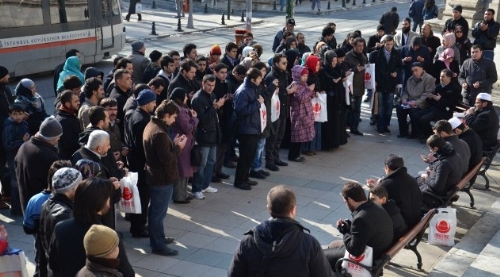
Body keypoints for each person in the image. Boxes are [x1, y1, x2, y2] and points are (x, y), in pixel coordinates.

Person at [228, 185, 334, 276]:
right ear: (293, 209)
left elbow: (233, 274)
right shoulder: (309, 243)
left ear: (268, 208)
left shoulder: (248, 241)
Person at [48, 178, 135, 277]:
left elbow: (53, 266)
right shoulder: (107, 236)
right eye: (108, 197)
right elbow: (127, 272)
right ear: (101, 202)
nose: (109, 200)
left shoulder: (60, 228)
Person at [143, 100, 185, 256]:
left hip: (157, 176)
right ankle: (158, 245)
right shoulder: (159, 133)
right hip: (162, 178)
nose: (174, 121)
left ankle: (158, 238)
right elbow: (166, 159)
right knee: (158, 213)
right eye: (173, 117)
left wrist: (173, 145)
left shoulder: (152, 126)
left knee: (157, 212)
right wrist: (178, 147)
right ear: (165, 115)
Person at [323, 182, 393, 271]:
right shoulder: (376, 207)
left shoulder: (361, 218)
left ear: (350, 200)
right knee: (332, 246)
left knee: (321, 257)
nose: (346, 204)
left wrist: (345, 232)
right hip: (379, 252)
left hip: (369, 259)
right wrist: (349, 229)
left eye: (345, 202)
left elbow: (355, 251)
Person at [22, 160, 70, 277]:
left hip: (41, 245)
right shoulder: (69, 203)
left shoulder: (35, 200)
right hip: (62, 254)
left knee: (41, 266)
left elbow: (28, 228)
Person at [72, 129, 123, 229]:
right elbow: (94, 190)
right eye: (108, 145)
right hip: (97, 217)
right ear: (99, 148)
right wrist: (112, 186)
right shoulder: (90, 163)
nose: (109, 147)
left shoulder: (78, 154)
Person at [124, 89, 156, 238]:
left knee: (140, 195)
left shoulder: (136, 115)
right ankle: (138, 227)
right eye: (153, 102)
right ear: (146, 103)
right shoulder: (142, 120)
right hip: (141, 165)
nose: (155, 105)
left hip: (136, 163)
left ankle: (138, 223)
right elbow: (141, 145)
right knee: (142, 197)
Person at [39, 167, 82, 276]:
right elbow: (68, 253)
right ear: (72, 188)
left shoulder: (47, 203)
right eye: (80, 184)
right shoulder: (64, 214)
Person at [15, 116, 62, 213]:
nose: (59, 139)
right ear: (52, 137)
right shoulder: (48, 156)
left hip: (27, 204)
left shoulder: (24, 147)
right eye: (58, 136)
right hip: (42, 208)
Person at [367, 154, 422, 228]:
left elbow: (372, 202)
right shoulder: (411, 179)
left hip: (402, 225)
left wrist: (373, 189)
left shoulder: (386, 185)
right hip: (415, 220)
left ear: (387, 168)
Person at [190, 75, 222, 199]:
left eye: (213, 85)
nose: (210, 88)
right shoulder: (198, 99)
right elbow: (202, 119)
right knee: (201, 164)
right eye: (208, 85)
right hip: (203, 136)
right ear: (203, 83)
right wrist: (215, 107)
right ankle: (196, 188)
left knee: (211, 162)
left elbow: (214, 117)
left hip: (213, 134)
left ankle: (205, 185)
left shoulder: (212, 96)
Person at [233, 68, 264, 190]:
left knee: (250, 156)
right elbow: (241, 110)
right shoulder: (243, 91)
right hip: (246, 129)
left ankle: (245, 177)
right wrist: (257, 103)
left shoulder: (252, 88)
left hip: (253, 127)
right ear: (252, 79)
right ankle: (240, 181)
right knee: (245, 157)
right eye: (259, 78)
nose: (261, 80)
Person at [169, 88, 198, 204]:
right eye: (185, 96)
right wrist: (195, 119)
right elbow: (187, 128)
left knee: (185, 170)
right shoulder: (179, 111)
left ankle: (183, 193)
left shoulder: (180, 108)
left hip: (185, 142)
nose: (186, 98)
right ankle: (179, 196)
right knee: (182, 170)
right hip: (182, 143)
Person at [413, 69, 461, 138]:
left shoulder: (454, 89)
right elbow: (431, 101)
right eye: (440, 76)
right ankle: (420, 133)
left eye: (443, 76)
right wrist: (430, 97)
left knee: (423, 119)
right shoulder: (438, 86)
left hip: (444, 111)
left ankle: (429, 135)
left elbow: (452, 103)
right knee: (415, 115)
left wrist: (440, 99)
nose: (441, 78)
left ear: (449, 77)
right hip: (433, 108)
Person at [264, 53, 292, 171]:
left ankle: (276, 157)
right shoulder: (271, 77)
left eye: (286, 63)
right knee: (272, 137)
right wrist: (287, 92)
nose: (286, 65)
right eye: (283, 63)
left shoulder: (284, 74)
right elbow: (273, 95)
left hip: (283, 109)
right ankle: (269, 161)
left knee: (280, 136)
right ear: (276, 63)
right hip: (274, 111)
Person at [370, 35, 403, 134]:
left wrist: (396, 72)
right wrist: (373, 80)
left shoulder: (396, 54)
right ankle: (380, 124)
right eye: (387, 44)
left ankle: (386, 124)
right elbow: (371, 69)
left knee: (389, 105)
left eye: (391, 44)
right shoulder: (376, 54)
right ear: (383, 43)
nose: (389, 46)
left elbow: (399, 66)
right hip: (379, 83)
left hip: (390, 83)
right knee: (380, 105)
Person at [2, 104, 29, 215]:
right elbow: (7, 145)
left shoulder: (24, 124)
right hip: (13, 159)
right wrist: (22, 141)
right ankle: (16, 208)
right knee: (15, 182)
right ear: (10, 115)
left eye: (20, 113)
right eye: (14, 114)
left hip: (22, 156)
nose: (18, 116)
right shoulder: (9, 127)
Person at [396, 62, 435, 140]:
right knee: (399, 108)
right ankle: (403, 131)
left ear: (422, 69)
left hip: (422, 102)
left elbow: (427, 94)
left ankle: (415, 133)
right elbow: (406, 91)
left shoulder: (429, 78)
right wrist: (404, 99)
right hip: (409, 101)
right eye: (413, 71)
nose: (414, 73)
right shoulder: (410, 79)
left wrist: (416, 102)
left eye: (416, 70)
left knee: (413, 111)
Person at [320, 49, 348, 150]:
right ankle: (328, 144)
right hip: (329, 100)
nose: (334, 63)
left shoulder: (339, 68)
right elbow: (323, 84)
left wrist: (342, 78)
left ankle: (337, 141)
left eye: (335, 61)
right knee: (329, 122)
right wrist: (332, 82)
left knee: (338, 120)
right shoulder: (323, 70)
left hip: (338, 98)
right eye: (332, 61)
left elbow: (342, 75)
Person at [288, 65, 315, 162]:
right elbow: (301, 98)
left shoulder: (304, 84)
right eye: (303, 76)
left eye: (306, 76)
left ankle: (297, 154)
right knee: (296, 135)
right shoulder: (295, 85)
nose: (305, 78)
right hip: (298, 113)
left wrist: (311, 91)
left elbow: (309, 96)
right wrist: (310, 90)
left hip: (305, 112)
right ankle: (293, 155)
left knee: (300, 136)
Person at [343, 38, 367, 136]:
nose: (361, 48)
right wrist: (355, 69)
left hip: (360, 86)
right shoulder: (348, 57)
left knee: (357, 109)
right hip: (350, 87)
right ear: (354, 46)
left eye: (362, 46)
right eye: (359, 46)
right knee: (348, 110)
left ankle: (354, 128)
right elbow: (345, 72)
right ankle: (345, 129)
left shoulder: (364, 56)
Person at [56, 90, 81, 160]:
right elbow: (69, 144)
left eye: (78, 100)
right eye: (76, 101)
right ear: (67, 104)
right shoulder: (64, 121)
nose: (79, 103)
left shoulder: (70, 114)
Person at [108, 69, 133, 136]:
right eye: (127, 79)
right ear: (119, 81)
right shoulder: (118, 98)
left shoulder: (125, 92)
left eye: (130, 78)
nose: (131, 81)